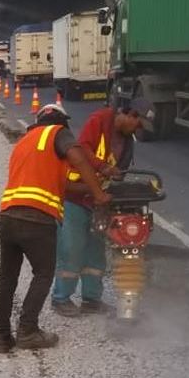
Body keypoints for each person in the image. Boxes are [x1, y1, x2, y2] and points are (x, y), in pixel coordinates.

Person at [0, 104, 110, 352]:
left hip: (8, 216)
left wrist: (89, 189)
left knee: (7, 277)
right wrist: (99, 193)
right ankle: (27, 331)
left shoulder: (25, 143)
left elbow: (65, 186)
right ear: (61, 122)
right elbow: (78, 156)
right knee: (44, 274)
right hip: (37, 219)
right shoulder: (56, 132)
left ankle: (2, 336)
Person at [50, 98, 154, 316]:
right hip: (75, 196)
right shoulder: (100, 119)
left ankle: (91, 300)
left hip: (99, 200)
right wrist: (102, 167)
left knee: (96, 252)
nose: (138, 129)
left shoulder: (127, 141)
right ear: (130, 114)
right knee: (72, 248)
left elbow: (120, 170)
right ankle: (61, 299)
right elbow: (83, 147)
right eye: (138, 123)